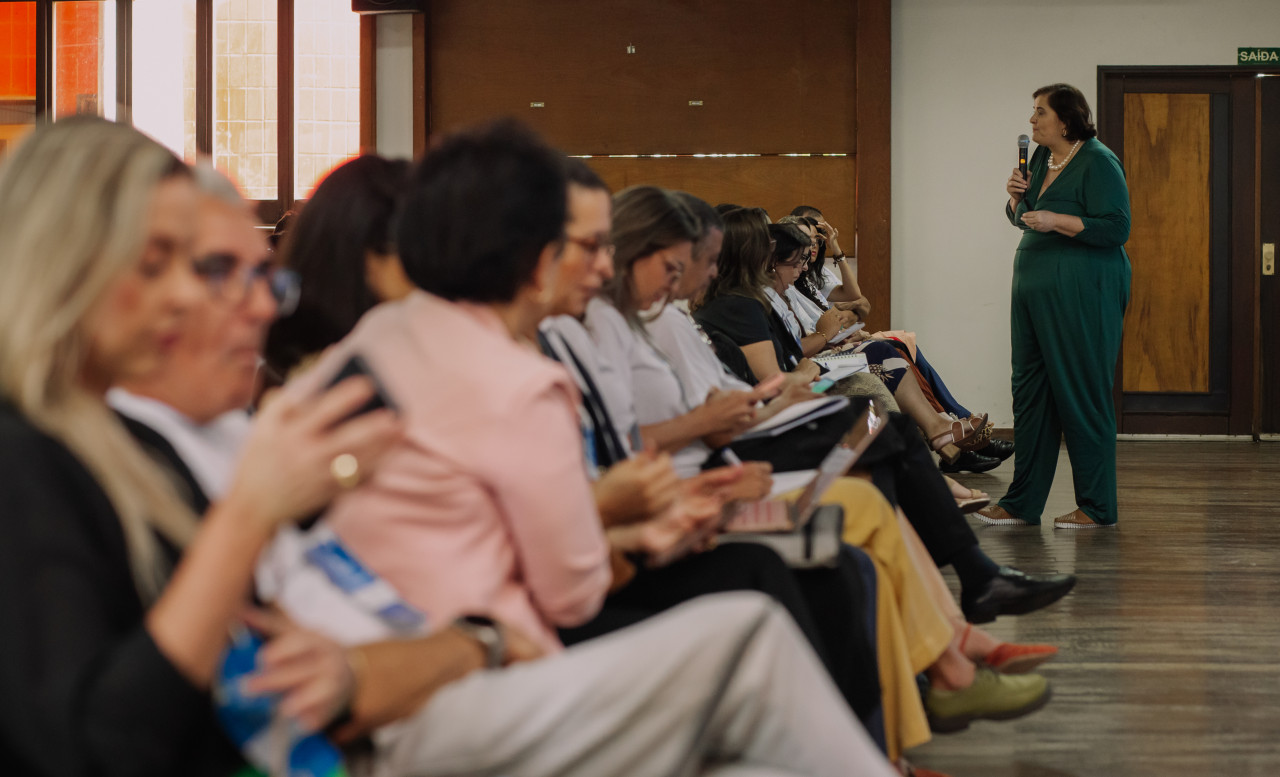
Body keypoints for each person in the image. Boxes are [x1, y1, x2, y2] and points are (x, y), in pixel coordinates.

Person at [115, 154, 900, 777]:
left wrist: (629, 526)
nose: (598, 266)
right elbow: (547, 582)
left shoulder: (358, 373)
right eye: (584, 247)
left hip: (455, 649)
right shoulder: (436, 372)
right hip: (447, 681)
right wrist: (492, 632)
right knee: (753, 624)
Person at [0, 118, 403, 776]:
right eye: (154, 262)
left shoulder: (116, 439)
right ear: (65, 259)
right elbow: (96, 745)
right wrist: (250, 513)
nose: (187, 294)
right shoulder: (22, 454)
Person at [982, 83, 1131, 529]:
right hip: (1033, 289)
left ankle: (1097, 507)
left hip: (1082, 291)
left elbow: (1116, 228)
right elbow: (1026, 216)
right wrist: (1015, 200)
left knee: (1081, 392)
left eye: (1040, 112)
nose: (1032, 120)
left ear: (1066, 120)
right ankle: (1021, 503)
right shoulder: (1041, 158)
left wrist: (1056, 220)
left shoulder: (1098, 161)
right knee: (1030, 394)